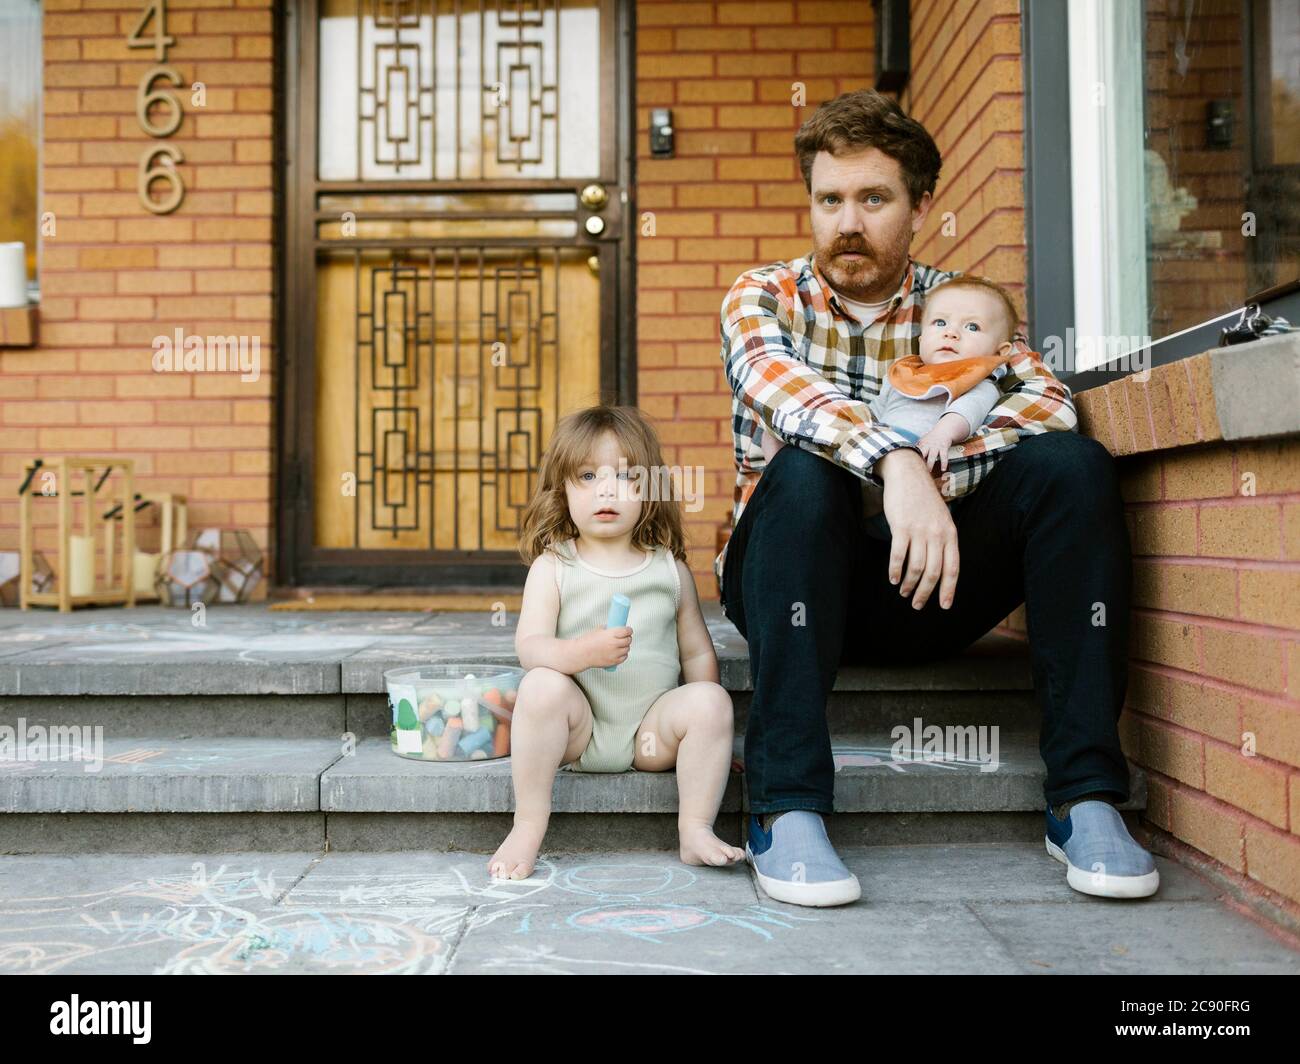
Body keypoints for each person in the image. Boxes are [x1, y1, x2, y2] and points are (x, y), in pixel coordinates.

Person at [718, 89, 1159, 907]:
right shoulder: (764, 296)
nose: (847, 221)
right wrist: (895, 466)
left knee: (1073, 464)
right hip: (794, 581)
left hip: (934, 584)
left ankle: (1086, 797)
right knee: (806, 469)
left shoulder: (961, 306)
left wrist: (937, 466)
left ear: (921, 205)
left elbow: (1047, 401)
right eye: (830, 199)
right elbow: (784, 395)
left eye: (874, 198)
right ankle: (784, 808)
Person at [490, 405, 745, 881]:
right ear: (562, 490)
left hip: (651, 734)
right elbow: (530, 646)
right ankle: (527, 824)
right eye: (587, 476)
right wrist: (577, 654)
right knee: (541, 685)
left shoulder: (668, 569)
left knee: (711, 700)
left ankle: (694, 829)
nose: (606, 490)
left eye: (626, 476)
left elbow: (696, 653)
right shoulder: (554, 566)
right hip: (578, 730)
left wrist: (710, 734)